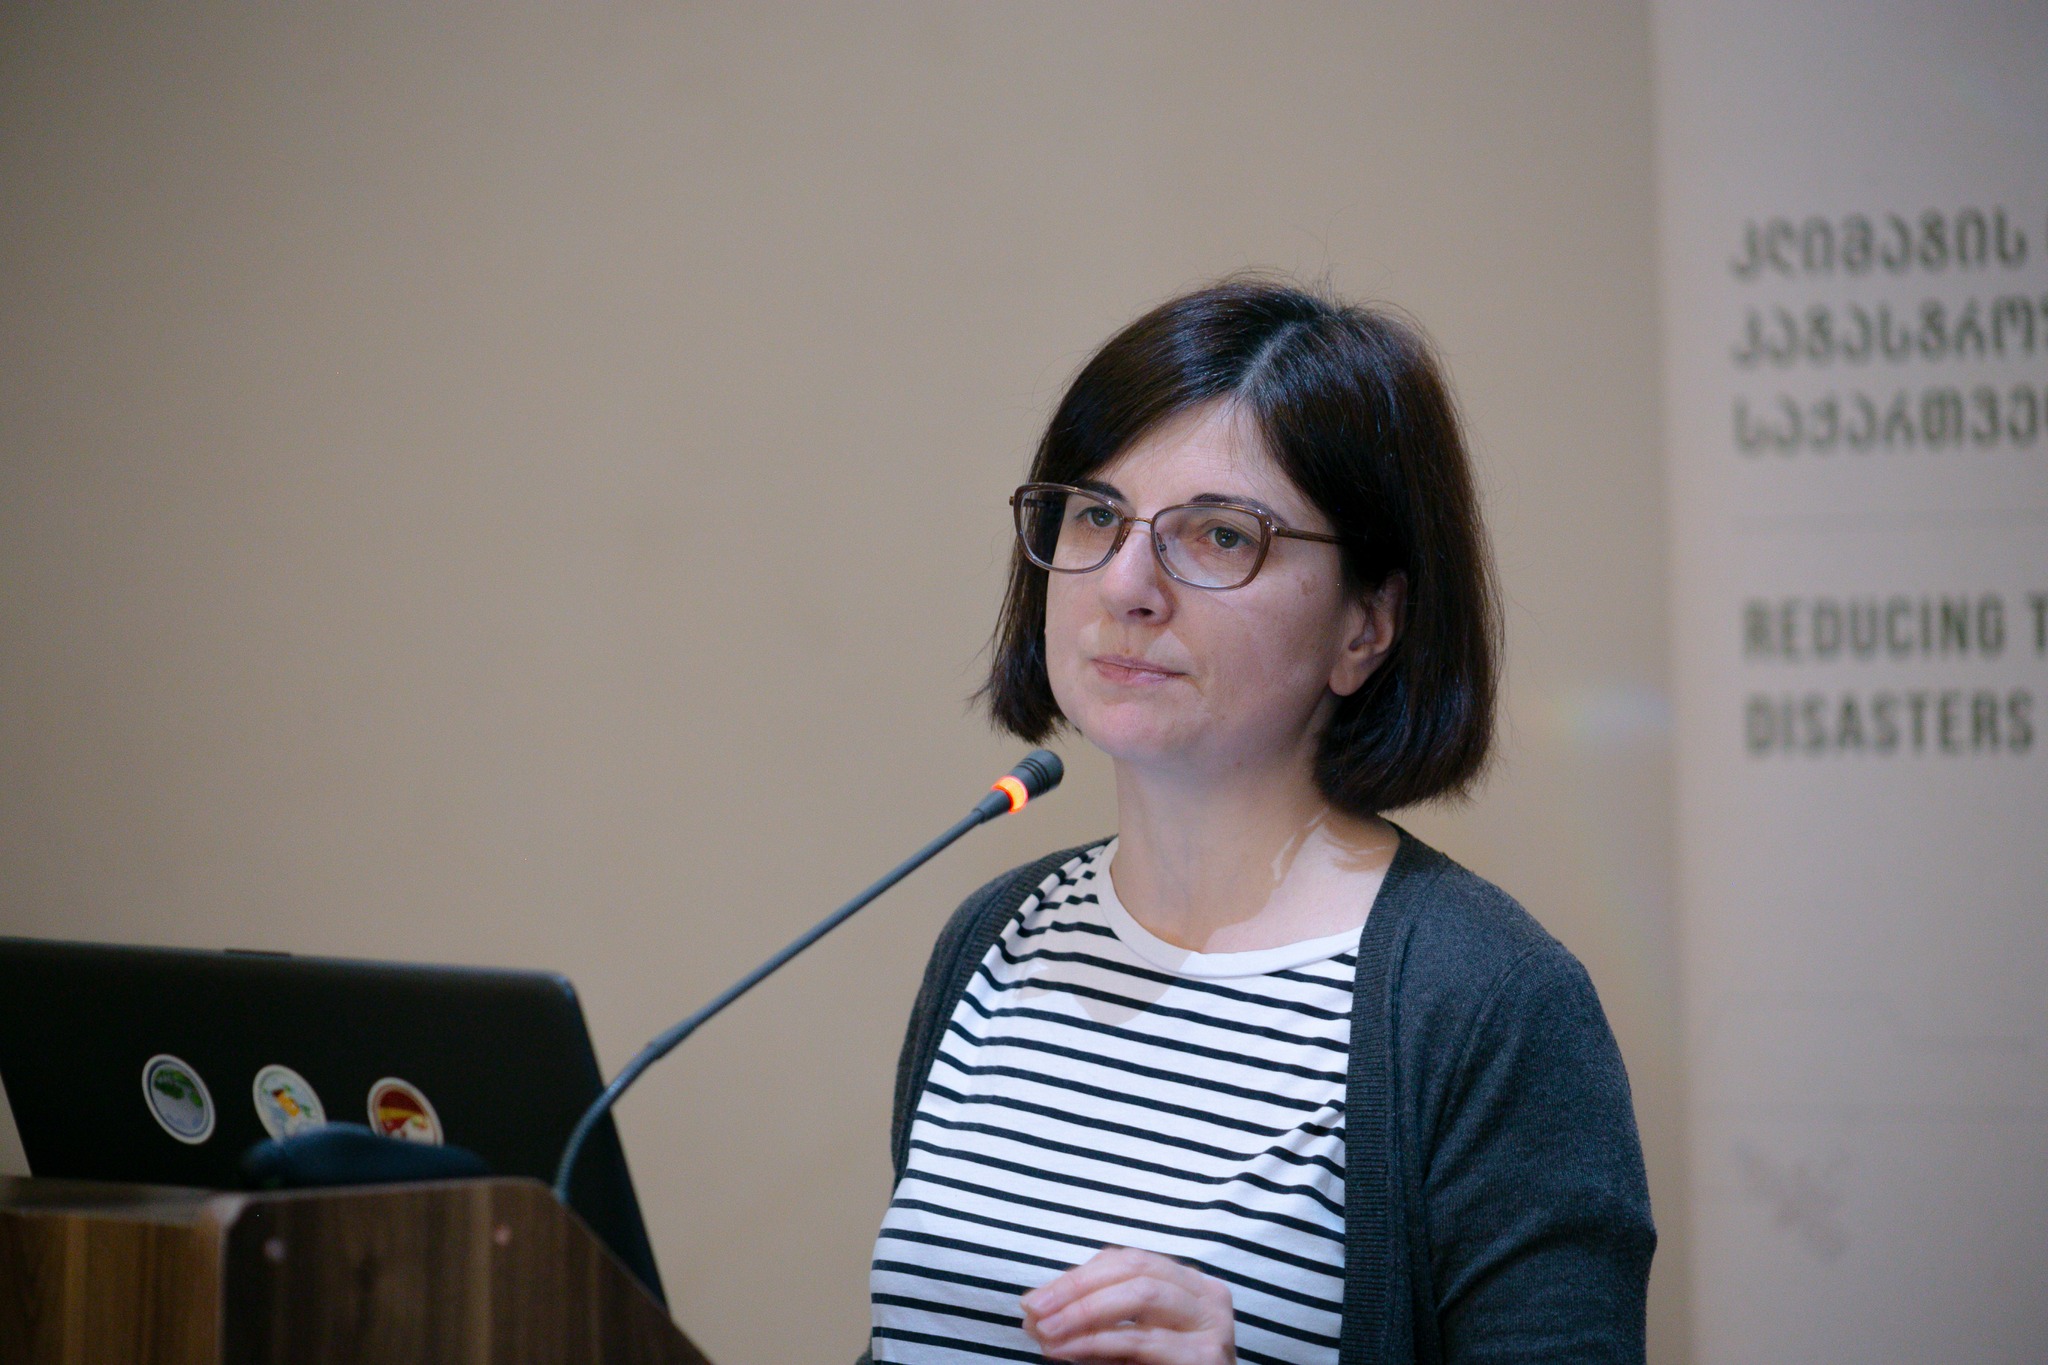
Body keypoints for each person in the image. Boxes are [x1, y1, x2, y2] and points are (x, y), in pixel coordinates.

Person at [865, 278, 1654, 1365]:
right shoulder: (995, 939)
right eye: (1095, 515)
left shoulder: (1489, 1003)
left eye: (1221, 536)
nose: (1127, 585)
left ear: (1366, 626)